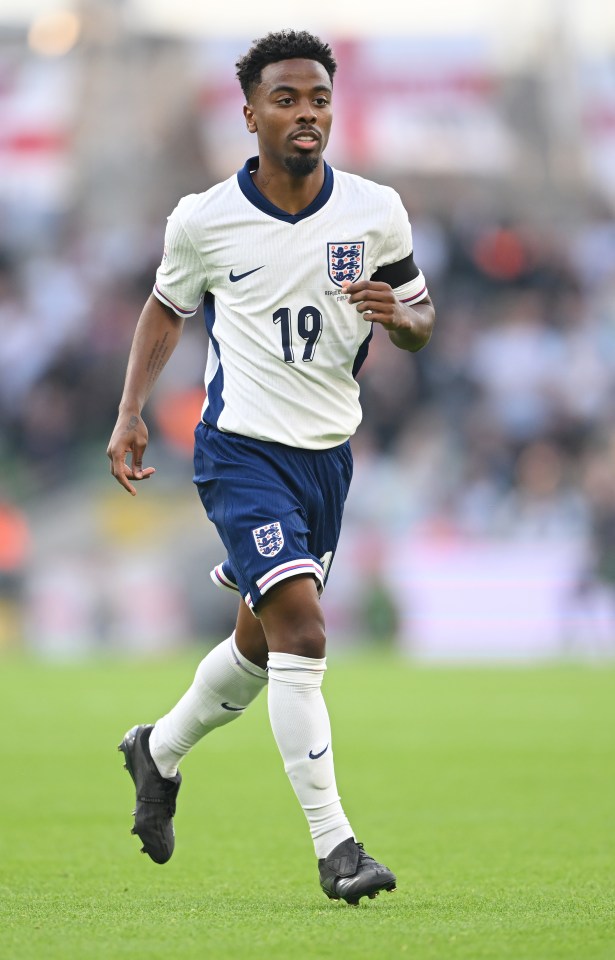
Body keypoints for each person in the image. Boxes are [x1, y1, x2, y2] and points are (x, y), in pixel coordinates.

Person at [107, 29, 435, 906]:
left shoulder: (373, 210)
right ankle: (338, 849)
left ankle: (158, 750)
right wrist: (132, 409)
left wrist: (399, 320)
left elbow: (420, 311)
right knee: (303, 634)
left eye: (318, 99)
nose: (305, 114)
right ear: (249, 112)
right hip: (240, 450)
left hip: (327, 457)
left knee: (258, 649)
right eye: (286, 99)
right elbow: (165, 310)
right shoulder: (204, 218)